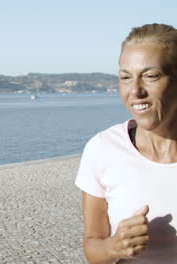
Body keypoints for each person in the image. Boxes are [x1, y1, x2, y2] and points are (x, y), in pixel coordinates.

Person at [76, 23, 177, 263]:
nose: (135, 91)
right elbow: (93, 247)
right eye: (125, 77)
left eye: (151, 76)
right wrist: (114, 246)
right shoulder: (102, 149)